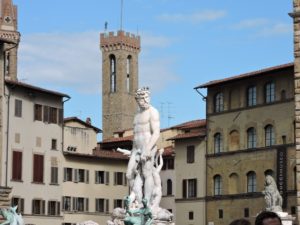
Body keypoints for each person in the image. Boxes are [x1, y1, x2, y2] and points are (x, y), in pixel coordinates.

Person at [126, 87, 160, 204]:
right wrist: (132, 151)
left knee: (147, 174)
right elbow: (136, 134)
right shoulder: (136, 115)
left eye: (147, 98)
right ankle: (138, 200)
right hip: (136, 149)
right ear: (137, 100)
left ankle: (146, 202)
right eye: (142, 99)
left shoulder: (153, 111)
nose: (146, 101)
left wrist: (147, 149)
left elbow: (156, 132)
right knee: (129, 174)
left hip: (148, 147)